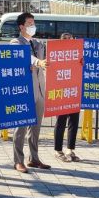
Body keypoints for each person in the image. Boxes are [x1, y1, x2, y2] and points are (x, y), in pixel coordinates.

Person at [10, 12, 50, 173]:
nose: (33, 26)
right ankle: (18, 161)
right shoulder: (16, 42)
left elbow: (49, 58)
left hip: (39, 88)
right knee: (21, 127)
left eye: (33, 22)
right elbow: (27, 57)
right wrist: (38, 62)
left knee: (35, 126)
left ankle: (34, 158)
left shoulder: (38, 43)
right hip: (24, 90)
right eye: (29, 23)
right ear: (21, 26)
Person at [53, 32, 81, 163]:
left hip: (74, 91)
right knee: (61, 122)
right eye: (65, 39)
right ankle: (58, 150)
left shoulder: (78, 54)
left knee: (74, 122)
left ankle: (70, 149)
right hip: (60, 92)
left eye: (70, 39)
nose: (68, 41)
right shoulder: (56, 54)